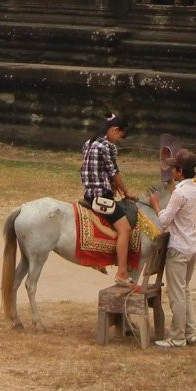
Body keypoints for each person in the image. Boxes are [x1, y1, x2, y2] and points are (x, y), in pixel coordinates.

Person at [150, 148, 196, 349]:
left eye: (174, 168)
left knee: (176, 295)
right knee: (185, 290)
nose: (172, 170)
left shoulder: (180, 193)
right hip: (192, 247)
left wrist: (155, 204)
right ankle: (191, 332)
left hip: (178, 248)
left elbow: (164, 220)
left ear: (180, 171)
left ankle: (177, 337)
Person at [80, 112, 135, 284]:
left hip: (88, 195)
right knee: (124, 229)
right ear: (115, 130)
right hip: (101, 197)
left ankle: (99, 259)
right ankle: (122, 273)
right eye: (120, 136)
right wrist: (126, 192)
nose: (118, 140)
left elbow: (98, 171)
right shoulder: (108, 146)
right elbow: (114, 172)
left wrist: (113, 185)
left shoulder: (88, 143)